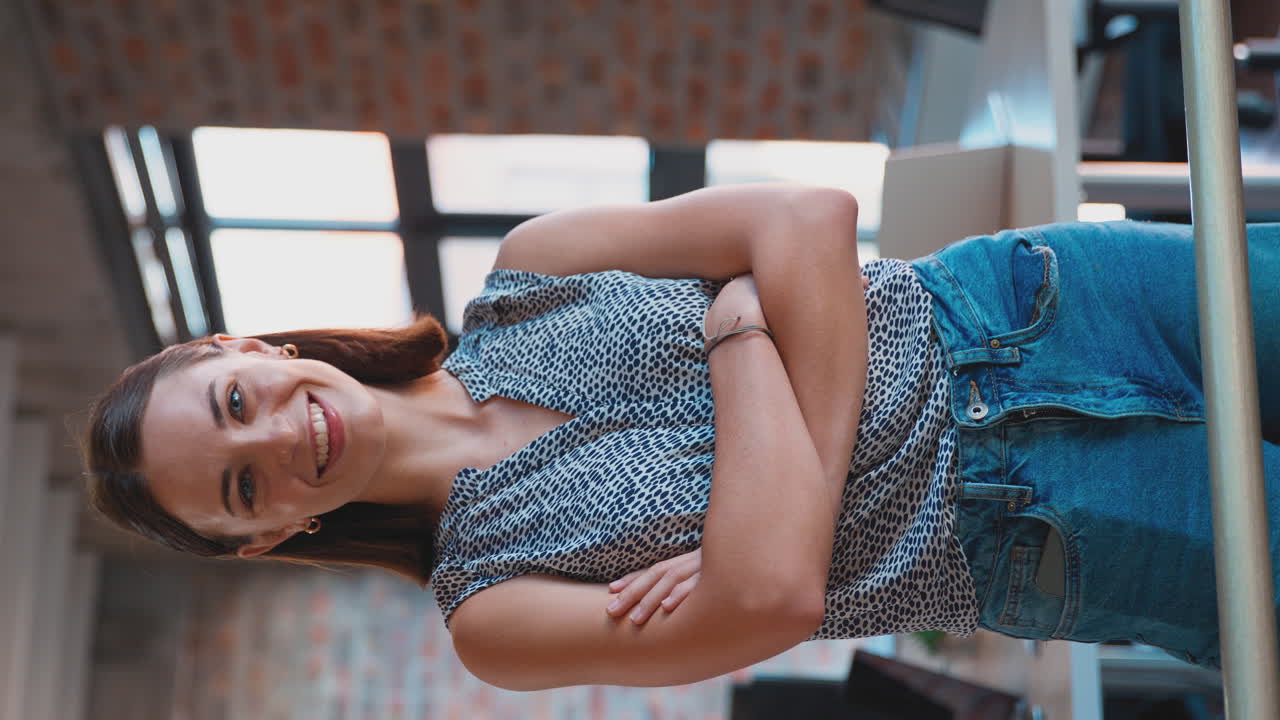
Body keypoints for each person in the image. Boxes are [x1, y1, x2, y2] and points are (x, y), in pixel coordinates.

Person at [82, 183, 1278, 691]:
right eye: (242, 488)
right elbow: (770, 602)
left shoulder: (531, 269)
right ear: (271, 534)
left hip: (1044, 306)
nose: (280, 442)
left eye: (236, 403)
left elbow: (805, 217)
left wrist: (771, 510)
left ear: (255, 353)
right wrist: (737, 329)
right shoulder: (492, 612)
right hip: (1041, 525)